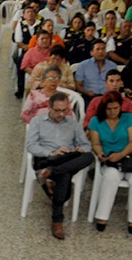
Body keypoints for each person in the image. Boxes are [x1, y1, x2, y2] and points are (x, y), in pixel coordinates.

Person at [25, 92, 93, 239]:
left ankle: (50, 173)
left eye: (64, 110)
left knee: (88, 156)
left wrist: (79, 149)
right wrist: (52, 152)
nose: (61, 114)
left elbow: (86, 145)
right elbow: (31, 146)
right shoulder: (38, 121)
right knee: (65, 174)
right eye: (57, 110)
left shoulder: (72, 124)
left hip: (66, 159)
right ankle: (57, 221)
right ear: (49, 107)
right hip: (46, 159)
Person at [88, 91, 132, 233]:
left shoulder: (130, 118)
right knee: (110, 177)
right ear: (104, 108)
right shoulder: (96, 121)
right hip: (110, 160)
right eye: (109, 109)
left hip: (130, 157)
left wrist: (120, 154)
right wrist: (101, 154)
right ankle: (102, 217)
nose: (113, 112)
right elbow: (95, 143)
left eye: (115, 108)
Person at [13, 3, 41, 97]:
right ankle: (20, 87)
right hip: (27, 50)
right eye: (27, 12)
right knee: (20, 61)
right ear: (24, 15)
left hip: (40, 50)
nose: (30, 14)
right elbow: (18, 42)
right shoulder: (21, 25)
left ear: (35, 14)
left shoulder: (40, 24)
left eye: (32, 12)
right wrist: (29, 48)